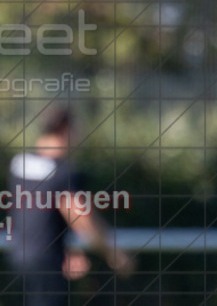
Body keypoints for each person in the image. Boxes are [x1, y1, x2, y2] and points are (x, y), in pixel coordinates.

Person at [8, 107, 133, 306]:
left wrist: (71, 250)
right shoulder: (63, 171)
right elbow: (80, 216)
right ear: (65, 129)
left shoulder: (19, 165)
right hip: (48, 264)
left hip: (18, 259)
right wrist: (113, 253)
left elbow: (36, 216)